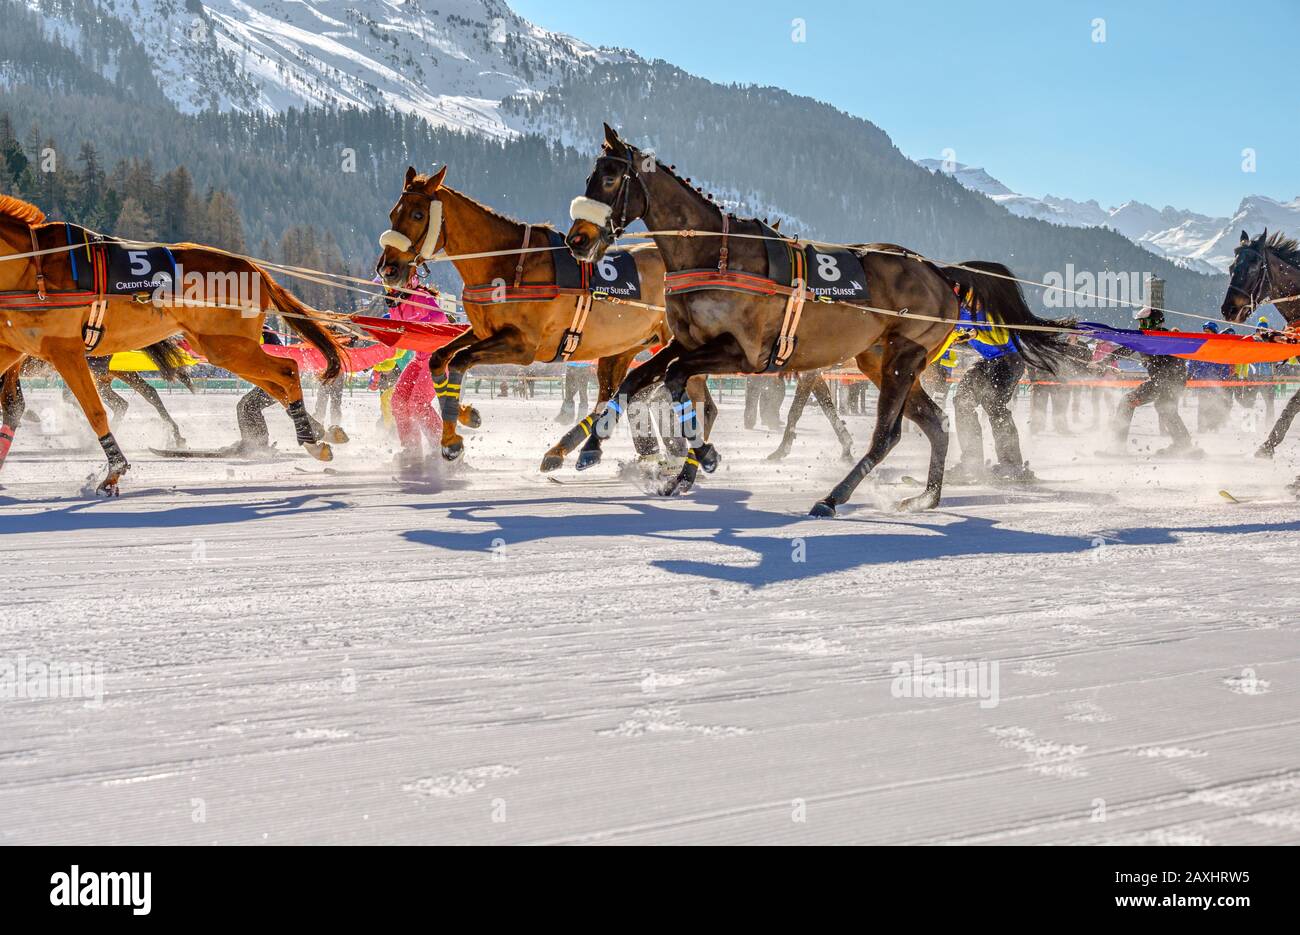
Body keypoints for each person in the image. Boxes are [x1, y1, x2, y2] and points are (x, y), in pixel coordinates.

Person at [947, 298, 1035, 483]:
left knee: (994, 404)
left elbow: (1002, 337)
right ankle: (972, 464)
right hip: (987, 361)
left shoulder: (994, 310)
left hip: (1009, 360)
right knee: (962, 401)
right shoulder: (957, 312)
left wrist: (975, 334)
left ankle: (1011, 465)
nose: (967, 300)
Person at [1101, 307, 1199, 458]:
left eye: (1145, 323)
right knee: (1165, 408)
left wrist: (1159, 378)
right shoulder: (1144, 338)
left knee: (1128, 401)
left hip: (1168, 381)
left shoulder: (1166, 337)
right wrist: (1107, 359)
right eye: (1140, 323)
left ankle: (1117, 446)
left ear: (1156, 323)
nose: (1141, 327)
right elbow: (1127, 348)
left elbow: (1175, 363)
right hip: (1166, 381)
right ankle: (1183, 445)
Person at [387, 276, 449, 471]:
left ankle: (445, 447)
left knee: (418, 402)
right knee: (398, 400)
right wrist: (392, 306)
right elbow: (399, 329)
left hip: (438, 355)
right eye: (386, 286)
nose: (389, 288)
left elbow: (439, 318)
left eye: (392, 284)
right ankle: (412, 449)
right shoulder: (397, 303)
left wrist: (416, 326)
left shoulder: (420, 296)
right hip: (420, 357)